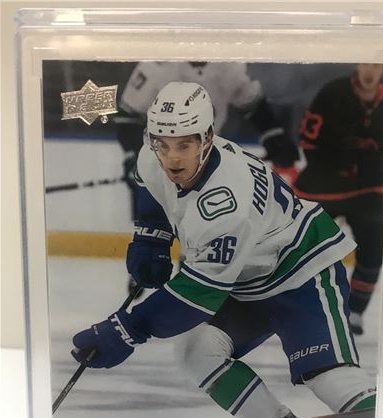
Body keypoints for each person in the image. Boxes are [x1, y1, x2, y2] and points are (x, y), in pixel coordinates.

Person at [71, 82, 376, 418]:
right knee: (197, 351)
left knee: (328, 375)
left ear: (207, 138)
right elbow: (150, 188)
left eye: (184, 145)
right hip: (244, 279)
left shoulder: (226, 203)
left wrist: (127, 329)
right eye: (162, 144)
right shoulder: (151, 156)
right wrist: (151, 238)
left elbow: (197, 295)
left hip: (301, 272)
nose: (172, 158)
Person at [115, 62, 299, 295]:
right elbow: (128, 117)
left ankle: (190, 283)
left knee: (199, 232)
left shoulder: (228, 66)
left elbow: (252, 104)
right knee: (153, 217)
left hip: (205, 162)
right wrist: (136, 157)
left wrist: (273, 134)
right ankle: (146, 264)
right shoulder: (158, 65)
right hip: (159, 156)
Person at [293, 64, 383, 335]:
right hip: (323, 183)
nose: (370, 71)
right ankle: (300, 305)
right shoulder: (332, 93)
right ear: (357, 65)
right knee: (301, 248)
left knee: (374, 247)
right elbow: (308, 141)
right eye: (366, 63)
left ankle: (355, 311)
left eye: (375, 65)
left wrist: (368, 162)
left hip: (368, 186)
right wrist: (340, 160)